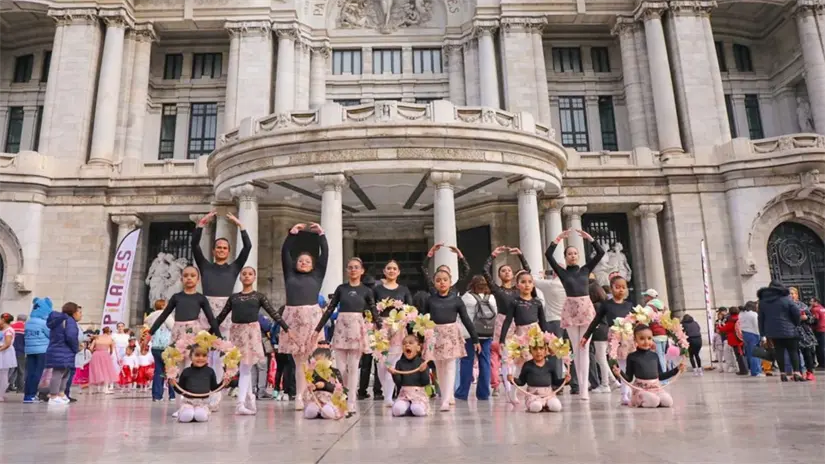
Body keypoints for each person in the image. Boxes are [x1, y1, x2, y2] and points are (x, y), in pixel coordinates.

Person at [216, 266, 289, 415]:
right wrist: (208, 332)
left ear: (254, 277)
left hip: (251, 333)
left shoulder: (259, 296)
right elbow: (222, 315)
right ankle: (250, 396)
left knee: (246, 367)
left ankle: (241, 403)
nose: (247, 276)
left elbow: (274, 313)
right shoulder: (234, 297)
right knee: (243, 367)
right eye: (244, 274)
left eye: (250, 274)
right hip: (236, 332)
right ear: (240, 277)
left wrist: (287, 329)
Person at [546, 229, 605, 401]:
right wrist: (557, 239)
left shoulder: (586, 269)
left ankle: (585, 387)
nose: (572, 256)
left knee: (585, 347)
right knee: (576, 348)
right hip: (571, 309)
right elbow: (548, 255)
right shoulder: (563, 272)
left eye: (575, 253)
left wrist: (590, 239)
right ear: (565, 257)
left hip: (586, 308)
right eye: (569, 254)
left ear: (578, 256)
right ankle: (580, 385)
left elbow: (600, 253)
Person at [315, 258, 378, 411]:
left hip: (357, 326)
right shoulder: (341, 288)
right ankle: (341, 396)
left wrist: (379, 326)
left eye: (356, 267)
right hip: (342, 326)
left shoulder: (366, 290)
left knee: (354, 365)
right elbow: (330, 309)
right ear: (346, 270)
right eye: (350, 267)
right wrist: (318, 328)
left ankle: (352, 401)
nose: (353, 270)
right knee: (341, 367)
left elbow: (373, 309)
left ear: (362, 270)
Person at [280, 222, 328, 410]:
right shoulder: (289, 274)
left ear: (312, 265)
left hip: (312, 317)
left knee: (311, 359)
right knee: (298, 359)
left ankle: (311, 392)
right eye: (301, 261)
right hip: (293, 317)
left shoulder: (317, 275)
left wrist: (322, 236)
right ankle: (299, 394)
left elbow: (325, 257)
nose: (303, 263)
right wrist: (292, 235)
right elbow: (285, 254)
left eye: (307, 261)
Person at [421, 269, 480, 411]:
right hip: (434, 335)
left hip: (451, 334)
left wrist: (475, 339)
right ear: (434, 283)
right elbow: (423, 318)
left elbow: (466, 319)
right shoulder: (430, 300)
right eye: (438, 280)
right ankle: (445, 395)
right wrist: (421, 337)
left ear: (450, 281)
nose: (442, 282)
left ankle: (447, 399)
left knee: (450, 366)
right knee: (439, 367)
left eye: (445, 279)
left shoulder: (456, 300)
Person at [483, 246, 529, 398]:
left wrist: (521, 256)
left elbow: (527, 272)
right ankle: (507, 387)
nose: (507, 272)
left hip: (519, 321)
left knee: (522, 354)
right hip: (503, 322)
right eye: (503, 270)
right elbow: (485, 271)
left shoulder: (518, 289)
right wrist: (492, 256)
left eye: (509, 270)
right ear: (499, 275)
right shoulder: (497, 290)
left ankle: (522, 382)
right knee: (505, 356)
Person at [582, 275, 634, 402]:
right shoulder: (606, 305)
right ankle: (624, 394)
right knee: (620, 364)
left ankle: (628, 389)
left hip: (628, 336)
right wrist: (586, 336)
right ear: (611, 288)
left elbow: (636, 321)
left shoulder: (629, 305)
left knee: (630, 364)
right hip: (615, 336)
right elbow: (595, 321)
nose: (620, 290)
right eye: (617, 287)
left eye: (623, 287)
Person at [373, 260, 414, 406]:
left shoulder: (403, 290)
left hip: (398, 327)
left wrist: (404, 322)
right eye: (388, 268)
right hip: (381, 327)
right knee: (381, 362)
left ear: (398, 272)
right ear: (384, 271)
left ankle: (389, 396)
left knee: (393, 362)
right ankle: (385, 391)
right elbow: (371, 308)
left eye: (394, 268)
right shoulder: (377, 290)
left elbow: (411, 309)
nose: (391, 271)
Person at [612, 324, 684, 408]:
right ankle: (640, 400)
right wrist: (619, 373)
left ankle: (654, 399)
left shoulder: (654, 356)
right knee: (654, 401)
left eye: (649, 338)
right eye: (642, 339)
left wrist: (676, 369)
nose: (646, 342)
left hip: (656, 388)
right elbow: (629, 378)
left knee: (668, 401)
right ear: (635, 340)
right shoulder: (632, 357)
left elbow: (660, 376)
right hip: (641, 389)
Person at [149, 266, 220, 345]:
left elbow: (211, 319)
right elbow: (163, 316)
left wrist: (219, 338)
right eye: (185, 276)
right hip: (177, 332)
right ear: (181, 279)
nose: (189, 278)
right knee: (176, 355)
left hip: (194, 333)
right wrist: (150, 333)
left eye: (192, 276)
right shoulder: (176, 297)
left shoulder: (201, 298)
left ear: (198, 280)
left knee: (192, 355)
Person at [456, 276, 496, 402]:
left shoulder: (467, 298)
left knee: (467, 361)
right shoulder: (492, 298)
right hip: (487, 333)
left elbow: (461, 316)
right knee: (485, 361)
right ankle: (483, 393)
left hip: (469, 335)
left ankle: (463, 392)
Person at [507, 335, 568, 413]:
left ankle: (546, 405)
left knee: (556, 407)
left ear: (546, 350)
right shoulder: (527, 365)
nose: (538, 351)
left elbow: (555, 381)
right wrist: (512, 380)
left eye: (541, 348)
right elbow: (521, 382)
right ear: (530, 351)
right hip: (533, 395)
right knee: (536, 407)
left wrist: (565, 380)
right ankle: (540, 405)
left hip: (548, 394)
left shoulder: (550, 365)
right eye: (535, 349)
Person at [758, 281, 804, 382]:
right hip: (789, 330)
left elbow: (760, 318)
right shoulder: (786, 299)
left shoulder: (762, 301)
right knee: (793, 351)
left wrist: (762, 333)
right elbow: (796, 312)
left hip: (773, 332)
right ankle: (796, 372)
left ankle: (782, 373)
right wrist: (796, 323)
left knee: (779, 351)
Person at [171, 346, 228, 423]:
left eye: (204, 356)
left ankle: (196, 413)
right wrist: (174, 384)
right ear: (191, 357)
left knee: (200, 416)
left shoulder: (210, 371)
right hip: (188, 402)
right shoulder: (186, 371)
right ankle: (186, 412)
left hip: (202, 403)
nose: (201, 358)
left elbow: (214, 388)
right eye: (197, 355)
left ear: (207, 357)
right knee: (187, 416)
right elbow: (181, 390)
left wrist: (223, 383)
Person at [44, 303, 81, 405]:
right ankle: (53, 395)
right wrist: (76, 348)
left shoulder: (59, 320)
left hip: (58, 349)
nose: (80, 314)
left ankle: (60, 393)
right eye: (79, 312)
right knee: (59, 373)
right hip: (64, 349)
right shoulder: (70, 321)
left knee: (65, 373)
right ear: (73, 312)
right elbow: (71, 336)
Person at [390, 334, 431, 417]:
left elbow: (425, 382)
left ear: (418, 348)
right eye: (404, 343)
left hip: (418, 395)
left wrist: (423, 371)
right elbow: (399, 383)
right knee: (397, 410)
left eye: (411, 343)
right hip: (404, 395)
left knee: (418, 410)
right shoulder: (399, 363)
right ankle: (407, 407)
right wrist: (394, 374)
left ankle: (413, 407)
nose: (407, 345)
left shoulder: (422, 363)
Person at [144, 299, 176, 402]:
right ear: (163, 306)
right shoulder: (166, 314)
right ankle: (172, 395)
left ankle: (157, 395)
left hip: (155, 346)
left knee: (159, 371)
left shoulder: (151, 316)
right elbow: (173, 327)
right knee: (171, 370)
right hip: (166, 346)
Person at [303, 347, 346, 420]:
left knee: (327, 412)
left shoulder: (335, 372)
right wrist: (312, 386)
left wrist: (325, 385)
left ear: (330, 360)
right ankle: (318, 410)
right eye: (316, 361)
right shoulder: (313, 373)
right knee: (310, 413)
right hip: (316, 399)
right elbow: (310, 384)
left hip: (330, 399)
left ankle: (325, 411)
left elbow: (339, 389)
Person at [23, 297, 52, 403]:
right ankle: (33, 394)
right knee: (38, 373)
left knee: (29, 372)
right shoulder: (44, 323)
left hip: (30, 350)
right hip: (42, 350)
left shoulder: (28, 323)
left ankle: (27, 395)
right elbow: (50, 335)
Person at [718, 306, 747, 375]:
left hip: (735, 340)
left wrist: (719, 325)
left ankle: (743, 370)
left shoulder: (732, 319)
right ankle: (745, 369)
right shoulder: (741, 317)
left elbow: (724, 329)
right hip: (742, 338)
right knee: (742, 354)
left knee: (739, 356)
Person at [88, 327, 119, 393]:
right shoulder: (110, 339)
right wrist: (109, 354)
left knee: (96, 370)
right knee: (106, 371)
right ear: (109, 332)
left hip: (96, 354)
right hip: (105, 354)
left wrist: (94, 351)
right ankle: (105, 389)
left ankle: (92, 389)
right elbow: (111, 350)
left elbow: (90, 348)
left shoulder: (97, 337)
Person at [739, 301, 762, 376]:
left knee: (749, 353)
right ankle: (756, 371)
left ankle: (752, 370)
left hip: (745, 334)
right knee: (755, 354)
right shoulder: (753, 314)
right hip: (753, 334)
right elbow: (757, 326)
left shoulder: (741, 314)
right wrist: (762, 336)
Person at [0, 313, 17, 401]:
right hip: (2, 351)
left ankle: (1, 394)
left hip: (4, 353)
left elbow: (7, 344)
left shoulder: (9, 330)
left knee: (3, 373)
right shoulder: (2, 329)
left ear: (3, 320)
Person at [8, 314, 26, 393]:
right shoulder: (25, 327)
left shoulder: (11, 327)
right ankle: (20, 389)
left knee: (10, 370)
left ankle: (7, 386)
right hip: (21, 351)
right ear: (25, 320)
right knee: (21, 371)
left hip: (10, 350)